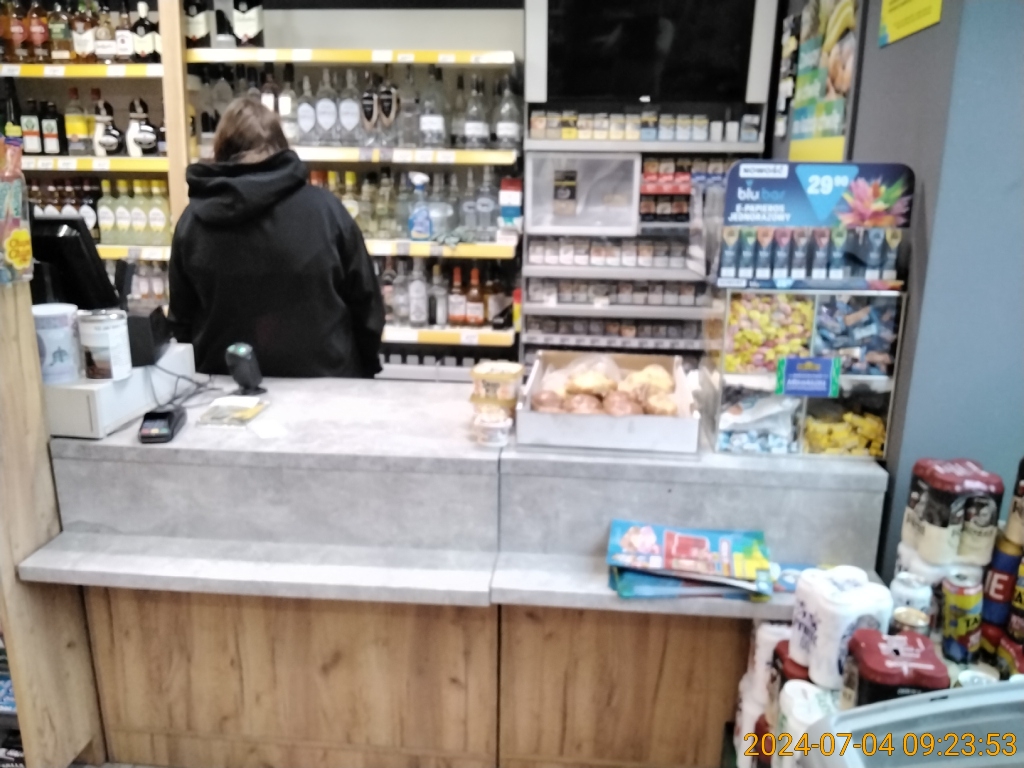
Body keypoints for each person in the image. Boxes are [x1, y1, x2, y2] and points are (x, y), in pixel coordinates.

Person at [168, 98, 384, 378]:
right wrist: (364, 369)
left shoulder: (193, 221)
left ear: (220, 150)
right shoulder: (326, 212)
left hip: (226, 386)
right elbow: (368, 308)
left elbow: (181, 321)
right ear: (282, 147)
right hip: (324, 386)